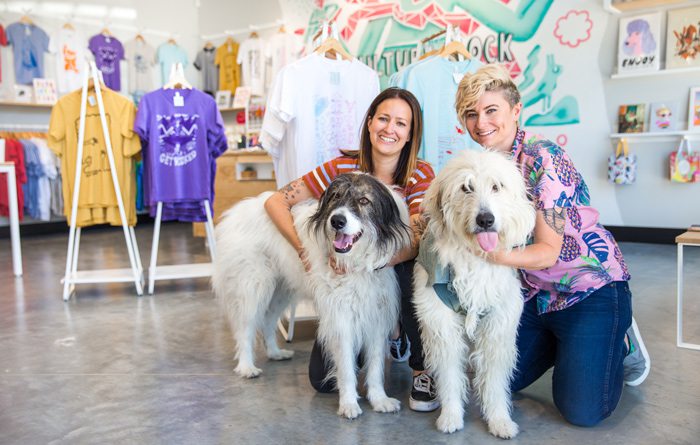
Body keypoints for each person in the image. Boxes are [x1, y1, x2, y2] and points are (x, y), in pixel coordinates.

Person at [450, 64, 650, 427]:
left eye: (491, 110)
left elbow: (547, 253)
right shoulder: (483, 167)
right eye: (471, 114)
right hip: (534, 296)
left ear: (515, 109)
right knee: (493, 380)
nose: (481, 123)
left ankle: (619, 342)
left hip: (588, 289)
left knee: (582, 410)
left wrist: (486, 252)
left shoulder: (544, 157)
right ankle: (572, 346)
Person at [264, 87, 440, 411]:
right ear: (370, 122)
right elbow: (276, 201)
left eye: (401, 123)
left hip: (390, 270)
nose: (390, 129)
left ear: (411, 133)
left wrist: (373, 262)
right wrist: (305, 251)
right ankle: (379, 337)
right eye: (384, 118)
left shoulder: (420, 173)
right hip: (344, 281)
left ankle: (418, 363)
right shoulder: (341, 166)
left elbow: (417, 233)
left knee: (412, 270)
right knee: (321, 380)